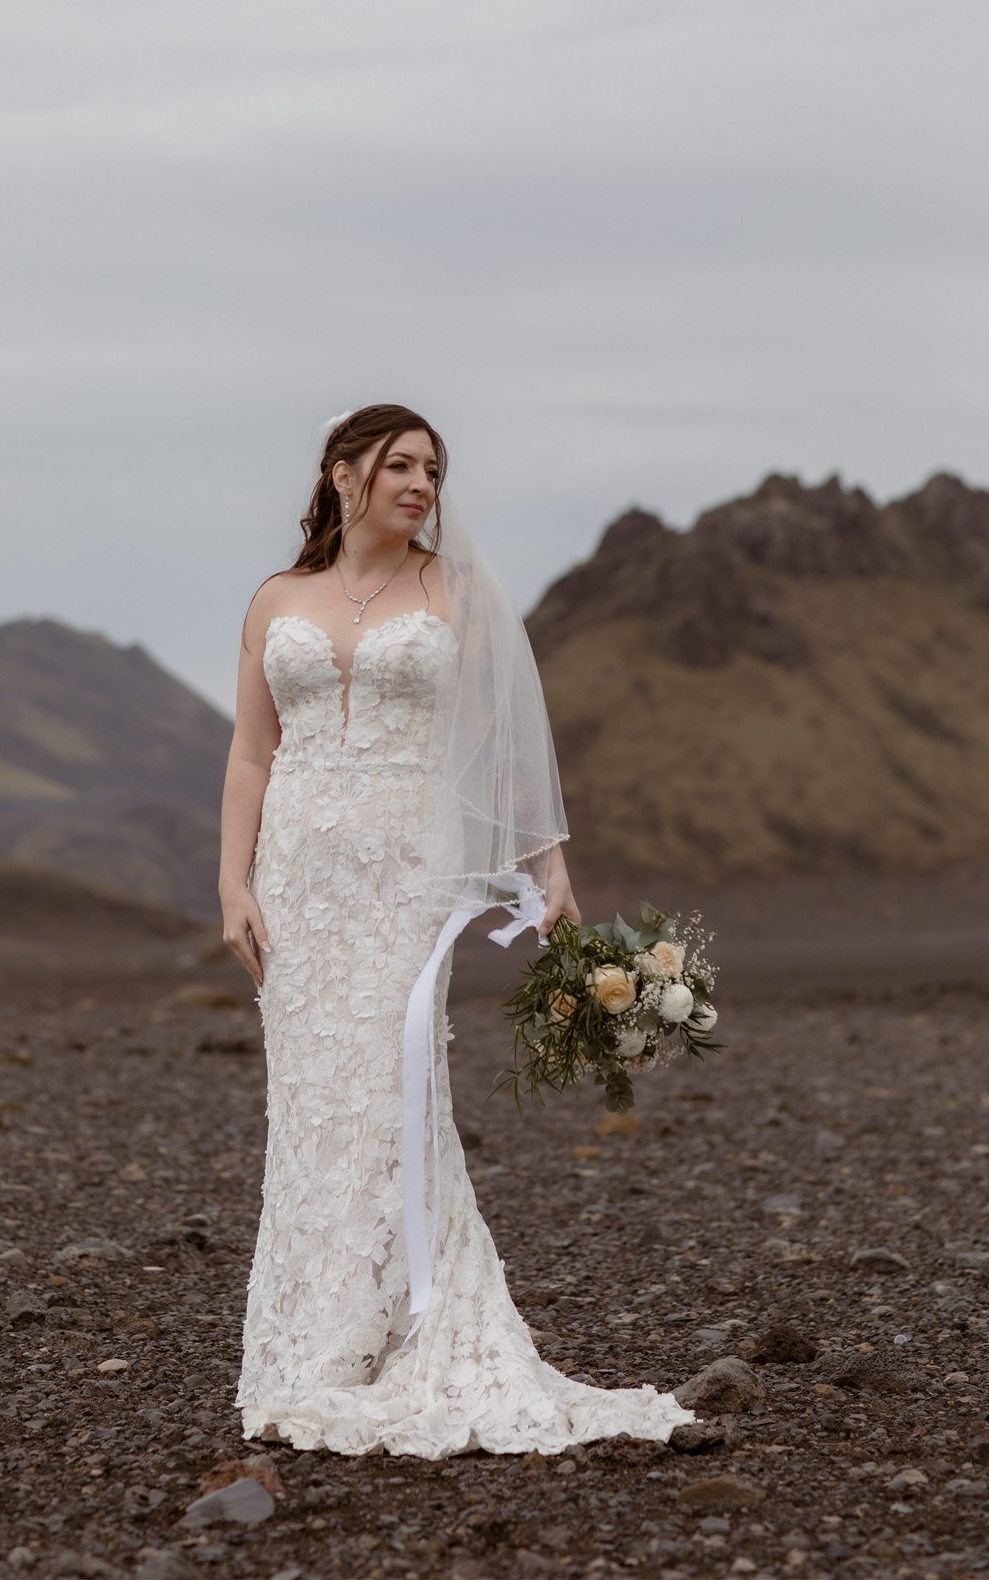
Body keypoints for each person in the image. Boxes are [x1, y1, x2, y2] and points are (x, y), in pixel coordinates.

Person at [219, 403, 695, 1457]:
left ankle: (411, 1322)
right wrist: (232, 882)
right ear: (342, 475)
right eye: (398, 464)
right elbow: (253, 751)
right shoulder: (277, 597)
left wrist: (550, 866)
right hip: (299, 875)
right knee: (312, 1098)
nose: (420, 483)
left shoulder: (458, 590)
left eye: (432, 467)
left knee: (396, 1087)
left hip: (404, 872)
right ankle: (315, 1341)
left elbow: (506, 744)